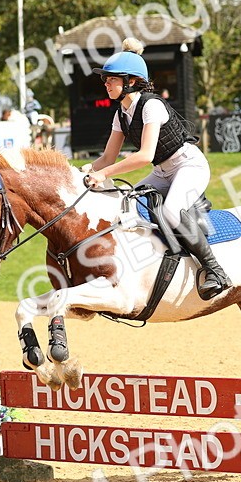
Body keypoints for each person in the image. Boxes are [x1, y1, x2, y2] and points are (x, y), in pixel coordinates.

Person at [83, 37, 230, 300]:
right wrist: (82, 172)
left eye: (111, 79)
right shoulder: (120, 114)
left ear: (130, 81)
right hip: (163, 171)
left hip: (189, 165)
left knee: (172, 210)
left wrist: (103, 174)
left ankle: (215, 270)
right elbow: (107, 157)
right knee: (125, 205)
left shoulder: (151, 105)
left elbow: (143, 156)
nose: (106, 84)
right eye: (105, 80)